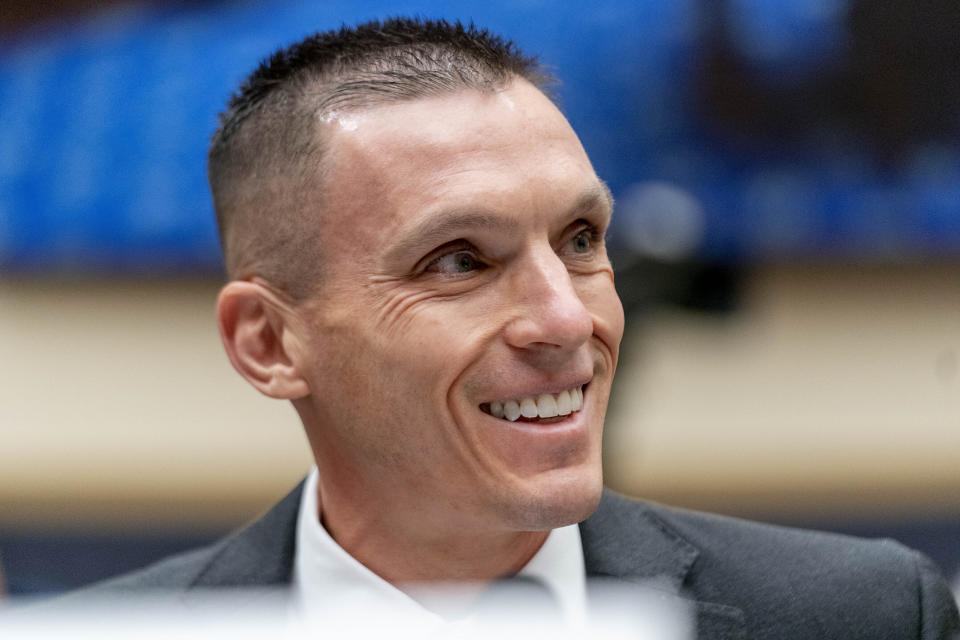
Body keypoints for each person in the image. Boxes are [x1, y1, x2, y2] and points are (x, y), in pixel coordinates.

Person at [84, 17, 957, 638]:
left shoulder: (865, 615)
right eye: (460, 261)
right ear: (268, 343)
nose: (566, 318)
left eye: (581, 241)